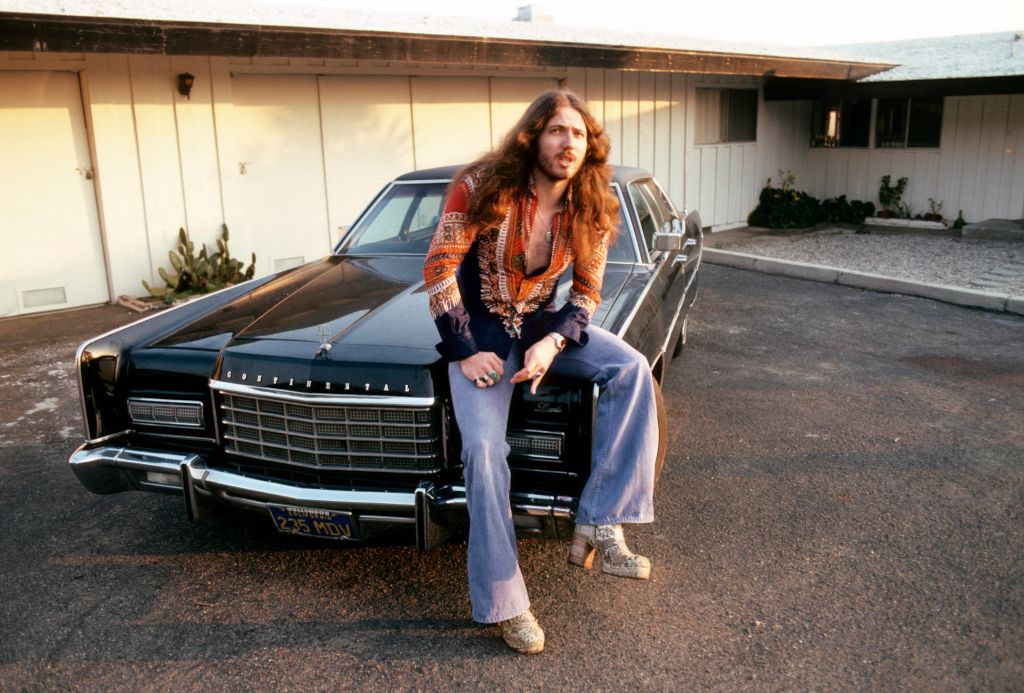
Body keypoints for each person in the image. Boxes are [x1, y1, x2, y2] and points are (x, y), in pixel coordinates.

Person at [422, 89, 658, 655]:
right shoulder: (481, 186)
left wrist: (553, 343)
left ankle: (600, 521)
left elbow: (587, 294)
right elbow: (438, 267)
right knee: (482, 452)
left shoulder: (595, 205)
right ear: (534, 136)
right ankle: (507, 603)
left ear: (589, 145)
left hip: (536, 324)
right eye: (557, 130)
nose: (568, 143)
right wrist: (464, 349)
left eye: (578, 134)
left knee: (631, 368)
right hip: (478, 332)